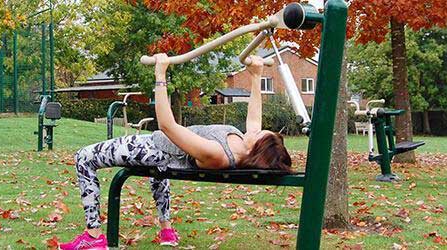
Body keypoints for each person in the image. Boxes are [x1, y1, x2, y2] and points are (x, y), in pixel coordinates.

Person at [60, 54, 293, 250]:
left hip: (151, 149)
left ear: (256, 149)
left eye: (260, 133)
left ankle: (93, 235)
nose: (257, 129)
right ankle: (167, 231)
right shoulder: (243, 145)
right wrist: (256, 76)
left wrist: (160, 75)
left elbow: (167, 126)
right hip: (163, 154)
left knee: (84, 157)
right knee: (160, 171)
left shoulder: (217, 154)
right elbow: (254, 120)